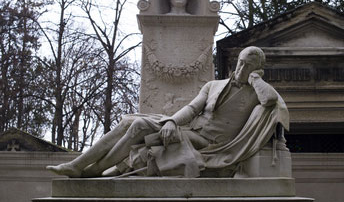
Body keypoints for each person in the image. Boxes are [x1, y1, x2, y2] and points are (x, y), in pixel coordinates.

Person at [47, 46, 289, 178]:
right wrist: (172, 121)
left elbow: (270, 101)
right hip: (188, 128)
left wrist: (255, 79)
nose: (241, 67)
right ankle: (79, 166)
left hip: (211, 143)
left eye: (248, 65)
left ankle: (90, 171)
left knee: (140, 126)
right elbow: (192, 108)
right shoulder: (213, 85)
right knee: (129, 121)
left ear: (258, 69)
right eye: (240, 62)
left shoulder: (257, 92)